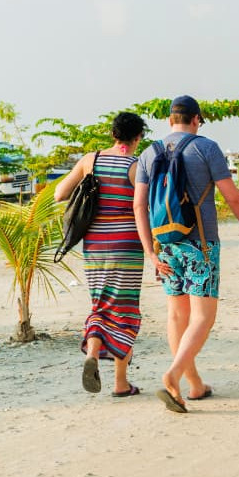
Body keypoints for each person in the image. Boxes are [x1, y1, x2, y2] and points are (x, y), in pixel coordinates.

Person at [134, 95, 239, 414]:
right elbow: (232, 196)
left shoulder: (150, 152)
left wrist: (150, 251)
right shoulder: (206, 148)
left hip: (165, 245)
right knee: (203, 316)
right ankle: (174, 374)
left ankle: (193, 384)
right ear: (196, 119)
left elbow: (139, 205)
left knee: (177, 314)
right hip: (200, 244)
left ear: (169, 121)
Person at [56, 112, 148, 398]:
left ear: (112, 134)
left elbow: (60, 193)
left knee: (101, 305)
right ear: (138, 138)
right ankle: (121, 383)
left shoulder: (89, 160)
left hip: (95, 244)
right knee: (125, 309)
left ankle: (93, 354)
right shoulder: (135, 166)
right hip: (127, 244)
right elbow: (144, 207)